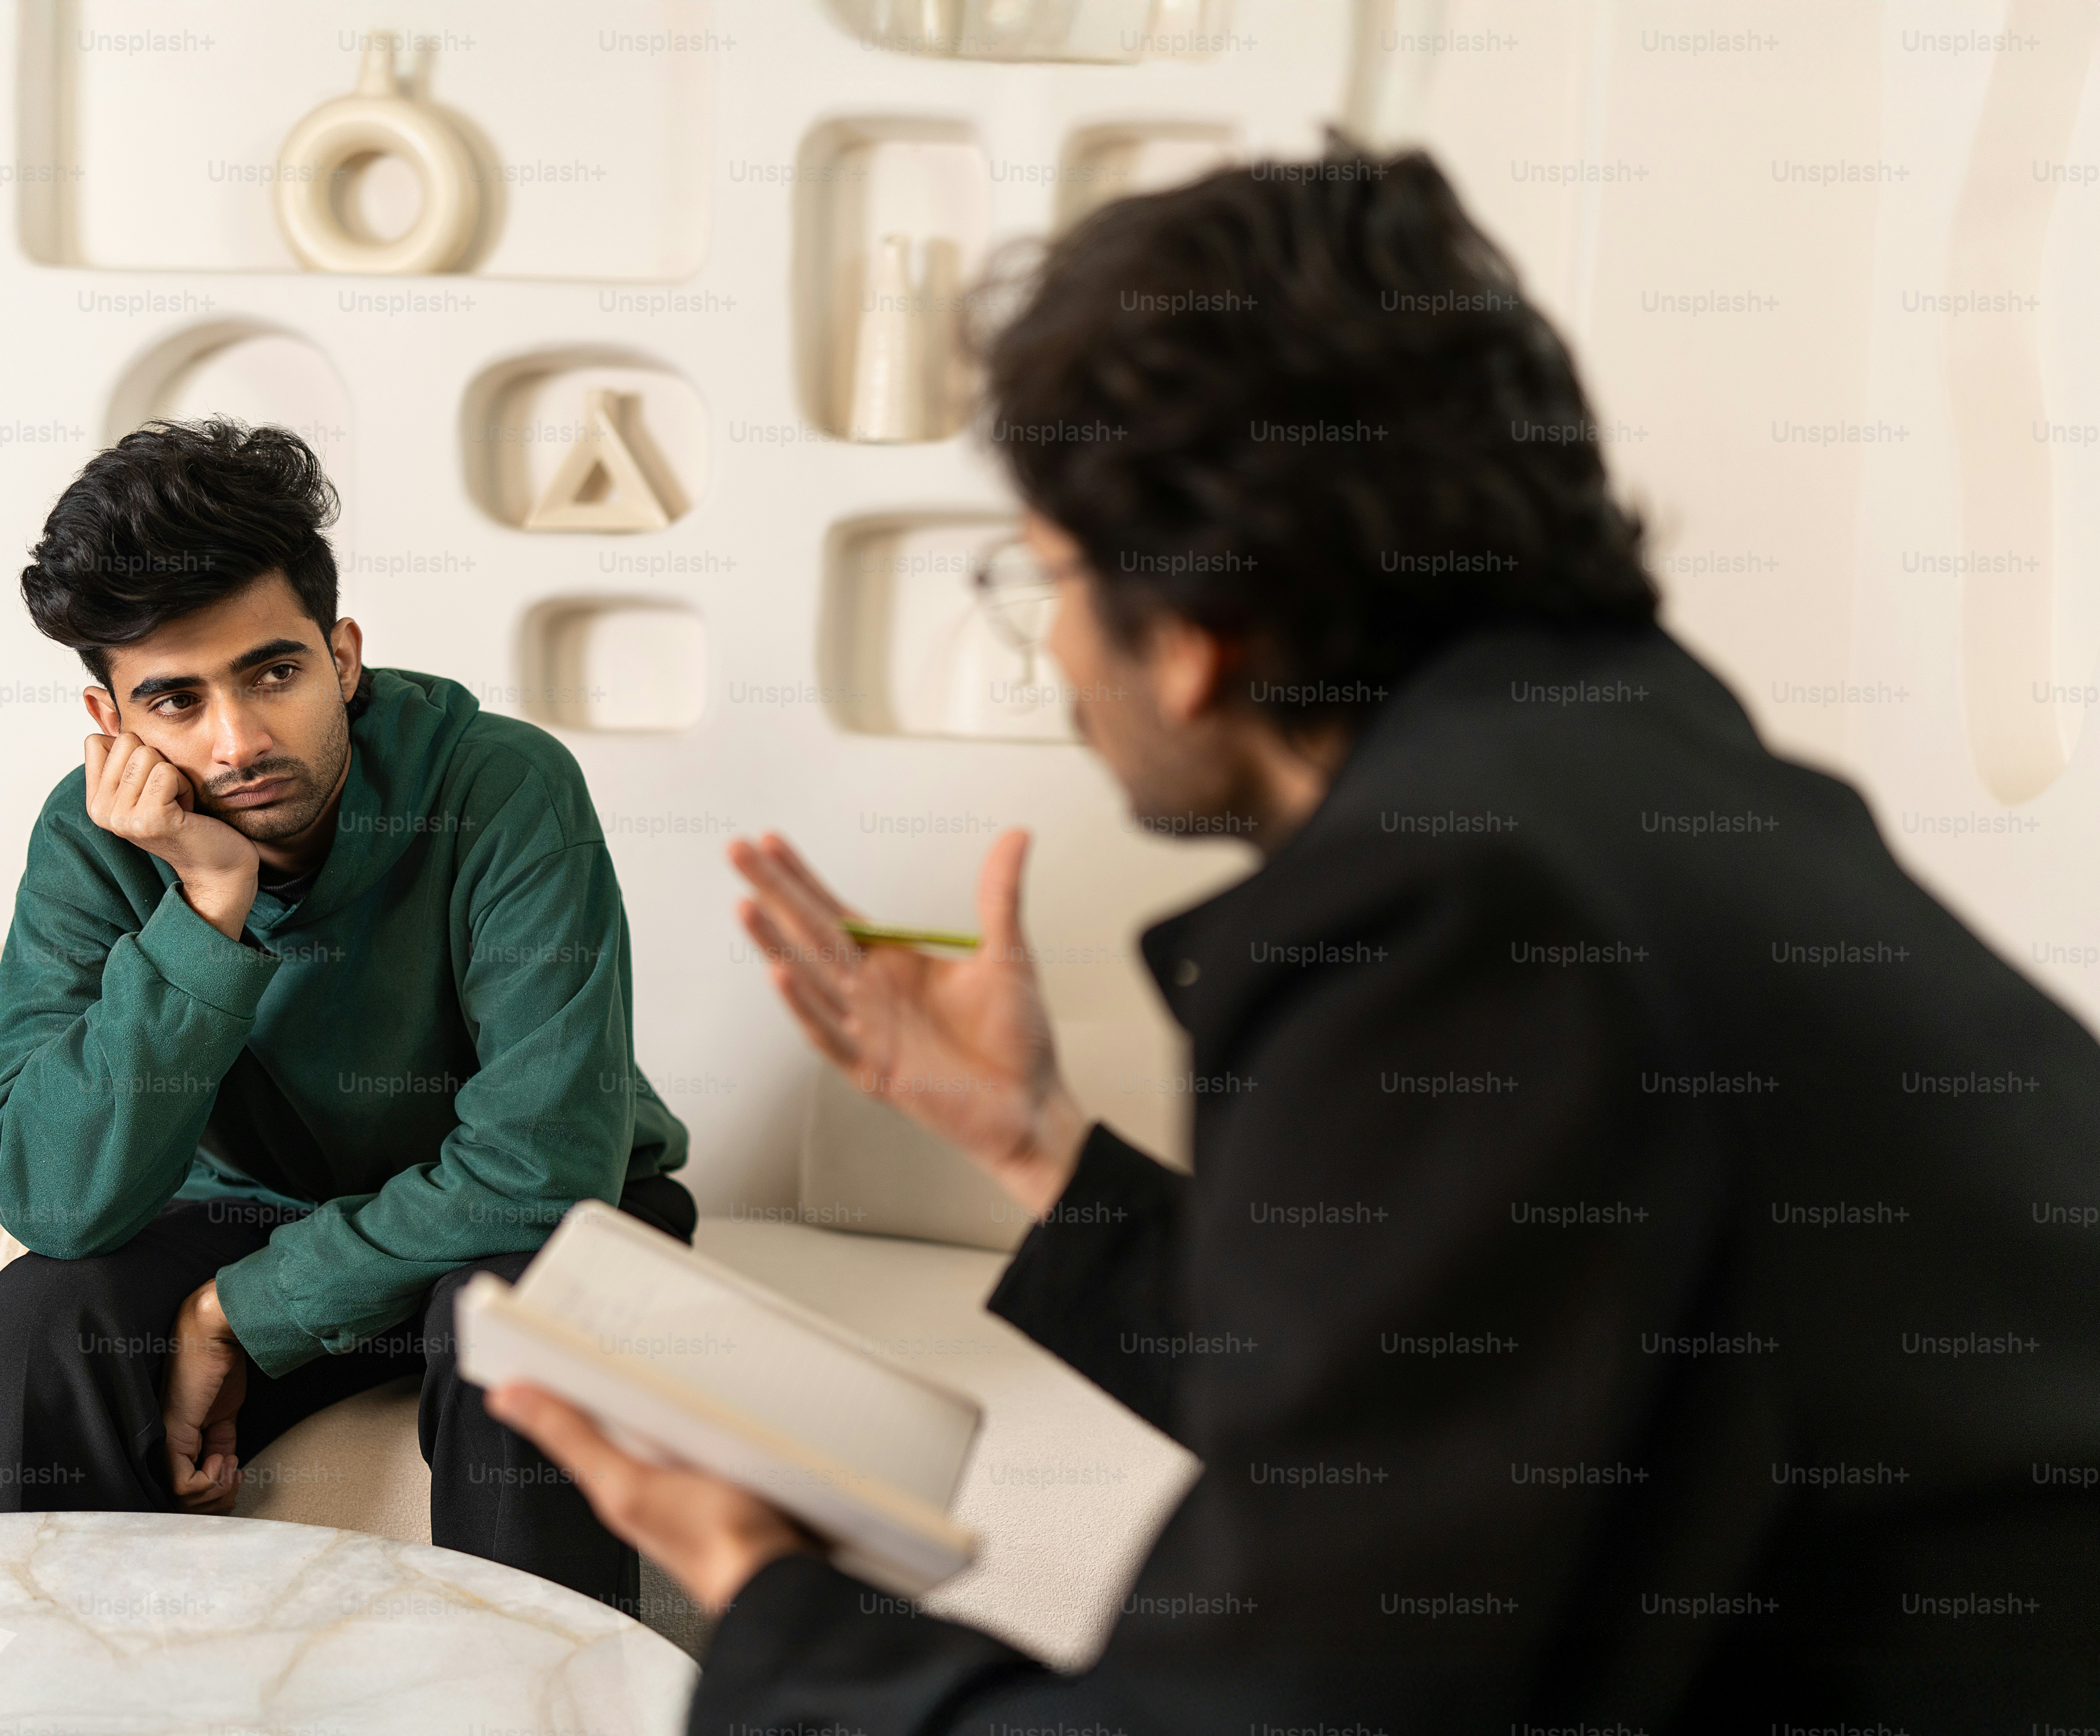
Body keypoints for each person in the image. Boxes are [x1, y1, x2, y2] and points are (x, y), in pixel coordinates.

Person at [486, 143, 2100, 1728]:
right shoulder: (1646, 774)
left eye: (1042, 574)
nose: (1052, 641)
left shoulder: (1448, 905)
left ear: (1192, 630)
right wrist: (1030, 1137)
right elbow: (1437, 1404)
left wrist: (767, 1603)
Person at [0, 418, 692, 1616]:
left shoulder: (501, 786)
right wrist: (207, 905)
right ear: (111, 718)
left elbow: (543, 1159)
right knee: (27, 1334)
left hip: (535, 1217)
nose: (238, 742)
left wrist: (243, 1310)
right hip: (253, 1208)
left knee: (523, 1330)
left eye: (272, 674)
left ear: (342, 654)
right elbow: (53, 1198)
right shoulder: (90, 835)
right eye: (176, 700)